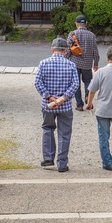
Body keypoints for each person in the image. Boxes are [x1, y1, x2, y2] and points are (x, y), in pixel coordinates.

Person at [34, 37, 80, 172]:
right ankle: (62, 164)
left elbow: (37, 82)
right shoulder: (71, 65)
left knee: (48, 129)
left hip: (48, 105)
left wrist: (48, 96)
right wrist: (63, 98)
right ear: (65, 50)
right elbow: (75, 85)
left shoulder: (43, 63)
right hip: (64, 105)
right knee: (64, 133)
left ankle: (48, 159)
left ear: (52, 49)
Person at [66, 14, 99, 111]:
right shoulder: (92, 35)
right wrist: (96, 63)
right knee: (88, 81)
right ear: (86, 23)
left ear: (76, 24)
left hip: (74, 62)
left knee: (76, 83)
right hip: (87, 63)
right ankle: (88, 98)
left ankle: (79, 105)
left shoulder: (72, 34)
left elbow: (68, 49)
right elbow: (95, 51)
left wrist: (65, 60)